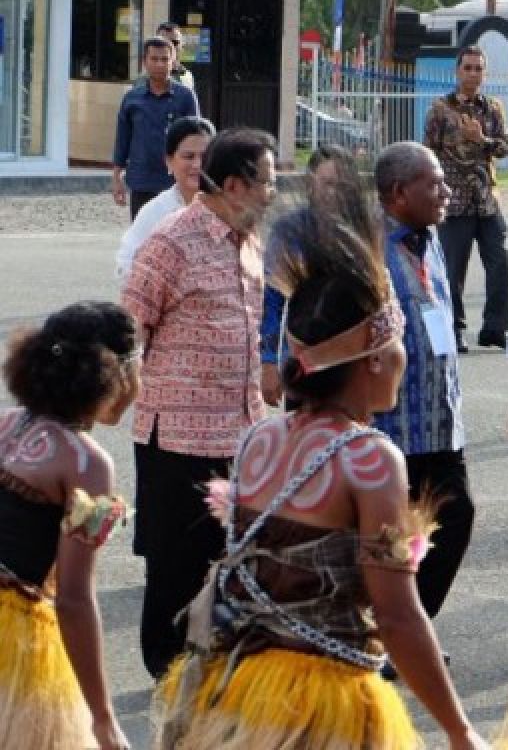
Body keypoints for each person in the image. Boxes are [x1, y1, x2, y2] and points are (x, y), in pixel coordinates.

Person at [153, 194, 488, 750]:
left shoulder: (262, 437)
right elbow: (399, 614)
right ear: (376, 356)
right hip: (324, 708)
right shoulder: (371, 460)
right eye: (398, 341)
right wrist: (460, 729)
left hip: (244, 696)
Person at [120, 128, 276, 679]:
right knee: (175, 568)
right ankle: (166, 676)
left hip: (240, 433)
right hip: (177, 440)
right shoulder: (171, 241)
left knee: (232, 561)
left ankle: (213, 668)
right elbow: (127, 329)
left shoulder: (251, 243)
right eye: (268, 182)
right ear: (234, 184)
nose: (274, 194)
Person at [0, 302, 138, 750]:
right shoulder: (86, 463)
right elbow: (75, 599)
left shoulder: (3, 424)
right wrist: (102, 716)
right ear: (114, 377)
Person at [373, 142, 474, 622]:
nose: (445, 192)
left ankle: (410, 628)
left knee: (454, 518)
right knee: (390, 541)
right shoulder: (368, 247)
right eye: (433, 184)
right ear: (397, 193)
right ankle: (390, 633)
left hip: (439, 420)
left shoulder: (430, 236)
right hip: (392, 428)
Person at [424, 45, 508, 353]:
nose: (473, 73)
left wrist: (482, 140)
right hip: (455, 201)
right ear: (457, 71)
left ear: (485, 74)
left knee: (499, 264)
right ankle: (454, 328)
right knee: (452, 270)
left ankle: (495, 328)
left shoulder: (493, 108)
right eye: (468, 68)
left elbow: (504, 149)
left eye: (478, 68)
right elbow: (429, 153)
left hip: (487, 200)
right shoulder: (440, 109)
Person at [261, 142, 362, 408]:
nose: (335, 192)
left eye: (343, 185)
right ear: (310, 183)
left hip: (355, 367)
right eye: (328, 183)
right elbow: (271, 300)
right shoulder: (290, 231)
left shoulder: (363, 232)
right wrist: (269, 362)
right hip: (303, 363)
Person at [115, 116, 216, 281]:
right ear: (169, 161)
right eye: (189, 156)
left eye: (205, 157)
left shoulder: (230, 209)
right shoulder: (155, 212)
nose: (198, 165)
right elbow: (126, 265)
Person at [112, 37, 201, 220]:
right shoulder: (132, 98)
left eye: (164, 59)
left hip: (175, 182)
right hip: (141, 180)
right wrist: (116, 178)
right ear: (144, 62)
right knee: (142, 239)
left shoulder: (185, 97)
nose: (159, 64)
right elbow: (123, 139)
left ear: (173, 62)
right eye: (154, 59)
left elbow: (197, 140)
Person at [135, 22, 195, 90]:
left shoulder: (187, 76)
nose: (170, 46)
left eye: (174, 42)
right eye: (164, 42)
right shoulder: (142, 81)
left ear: (182, 46)